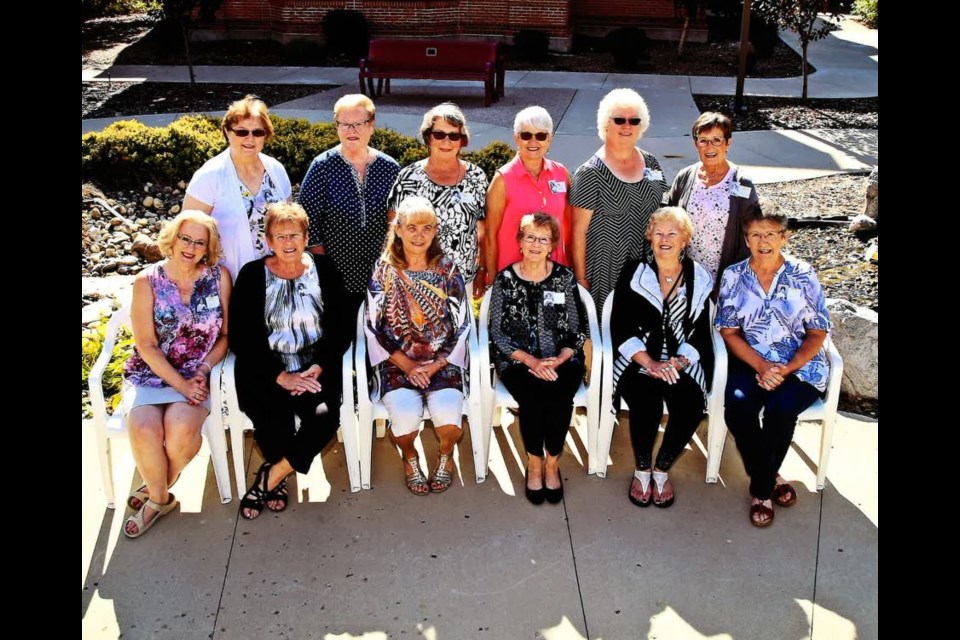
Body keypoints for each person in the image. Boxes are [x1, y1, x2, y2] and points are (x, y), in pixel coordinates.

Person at [230, 202, 350, 520]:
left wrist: (319, 366)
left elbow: (341, 326)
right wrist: (280, 376)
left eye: (294, 234)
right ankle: (281, 474)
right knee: (273, 428)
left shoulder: (324, 268)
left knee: (324, 418)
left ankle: (273, 475)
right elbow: (242, 337)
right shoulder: (252, 275)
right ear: (268, 240)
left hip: (314, 368)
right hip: (266, 370)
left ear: (306, 236)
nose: (288, 243)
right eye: (280, 236)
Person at [716, 206, 831, 527]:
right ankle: (772, 475)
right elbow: (729, 331)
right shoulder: (734, 276)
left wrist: (786, 368)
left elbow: (818, 332)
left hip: (800, 367)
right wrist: (763, 365)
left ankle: (761, 490)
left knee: (781, 411)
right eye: (755, 234)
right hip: (750, 361)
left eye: (770, 234)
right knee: (737, 408)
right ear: (746, 239)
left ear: (784, 236)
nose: (763, 241)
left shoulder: (804, 274)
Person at [121, 211, 231, 538]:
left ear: (208, 247)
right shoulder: (147, 281)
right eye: (185, 238)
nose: (191, 247)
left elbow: (226, 336)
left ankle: (156, 487)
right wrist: (179, 383)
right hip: (153, 373)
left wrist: (203, 368)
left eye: (200, 242)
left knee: (181, 428)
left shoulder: (218, 277)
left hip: (198, 374)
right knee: (142, 428)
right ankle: (159, 497)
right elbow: (146, 345)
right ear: (173, 239)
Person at [365, 196, 472, 495]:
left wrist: (438, 363)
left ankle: (446, 454)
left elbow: (463, 322)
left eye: (427, 228)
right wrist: (409, 365)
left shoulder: (447, 269)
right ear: (397, 229)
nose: (419, 235)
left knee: (449, 420)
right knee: (403, 420)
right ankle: (410, 456)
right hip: (397, 363)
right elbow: (372, 325)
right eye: (411, 227)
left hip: (442, 362)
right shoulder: (383, 269)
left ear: (436, 230)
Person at [610, 207, 714, 509]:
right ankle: (642, 469)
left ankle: (662, 468)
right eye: (658, 233)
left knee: (692, 404)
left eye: (672, 233)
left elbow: (700, 333)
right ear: (649, 237)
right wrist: (650, 362)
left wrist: (678, 362)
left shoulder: (699, 277)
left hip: (682, 359)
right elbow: (621, 324)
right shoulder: (634, 272)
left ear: (685, 239)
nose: (664, 239)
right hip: (639, 357)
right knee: (646, 402)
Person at [488, 213, 586, 505]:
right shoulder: (504, 279)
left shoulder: (564, 278)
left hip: (563, 358)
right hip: (517, 360)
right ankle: (534, 462)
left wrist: (560, 358)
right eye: (530, 237)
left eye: (543, 239)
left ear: (552, 245)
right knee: (533, 399)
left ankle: (552, 462)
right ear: (519, 241)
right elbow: (497, 333)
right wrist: (531, 361)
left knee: (558, 397)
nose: (535, 244)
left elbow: (578, 327)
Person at [298, 94, 401, 315]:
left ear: (371, 125)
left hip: (381, 275)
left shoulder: (390, 168)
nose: (351, 130)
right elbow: (306, 223)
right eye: (344, 124)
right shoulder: (322, 167)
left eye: (358, 124)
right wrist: (326, 270)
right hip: (334, 275)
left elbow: (398, 222)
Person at [569, 88, 668, 311]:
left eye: (634, 120)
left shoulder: (651, 163)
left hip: (646, 265)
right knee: (602, 332)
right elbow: (578, 231)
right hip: (605, 268)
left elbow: (663, 210)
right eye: (619, 120)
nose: (627, 126)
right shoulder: (590, 173)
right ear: (605, 124)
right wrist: (581, 278)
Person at [184, 95, 292, 280]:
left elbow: (290, 222)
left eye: (258, 132)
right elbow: (186, 234)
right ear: (227, 132)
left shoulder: (277, 170)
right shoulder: (209, 175)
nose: (250, 138)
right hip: (229, 280)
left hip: (278, 277)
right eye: (242, 132)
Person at [387, 102, 489, 296]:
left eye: (454, 136)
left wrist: (481, 269)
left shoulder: (477, 177)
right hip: (415, 280)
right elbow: (394, 229)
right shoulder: (409, 177)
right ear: (428, 137)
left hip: (461, 280)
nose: (446, 142)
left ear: (462, 140)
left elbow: (483, 232)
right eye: (439, 134)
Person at [665, 111, 760, 285]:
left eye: (717, 140)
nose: (709, 147)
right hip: (688, 278)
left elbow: (753, 236)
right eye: (703, 140)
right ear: (696, 144)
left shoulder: (742, 183)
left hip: (727, 280)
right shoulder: (684, 177)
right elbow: (669, 223)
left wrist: (731, 282)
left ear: (727, 144)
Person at [485, 106, 571, 285]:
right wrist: (493, 280)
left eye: (541, 136)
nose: (533, 141)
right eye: (526, 135)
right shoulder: (502, 180)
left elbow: (569, 229)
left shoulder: (561, 174)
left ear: (549, 139)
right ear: (516, 138)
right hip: (512, 277)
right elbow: (490, 235)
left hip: (554, 275)